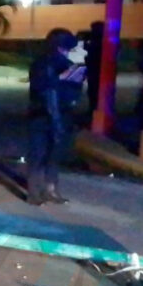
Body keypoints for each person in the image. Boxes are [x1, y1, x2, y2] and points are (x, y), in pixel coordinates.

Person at [26, 28, 84, 206]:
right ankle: (37, 192)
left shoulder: (63, 63)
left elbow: (73, 90)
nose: (67, 52)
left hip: (56, 114)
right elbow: (42, 88)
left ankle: (48, 190)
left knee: (51, 154)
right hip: (44, 114)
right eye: (66, 48)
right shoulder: (43, 64)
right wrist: (61, 79)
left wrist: (74, 80)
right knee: (41, 154)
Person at [83, 21, 104, 125]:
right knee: (93, 92)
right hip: (94, 70)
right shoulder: (98, 40)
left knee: (94, 92)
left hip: (96, 70)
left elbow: (89, 51)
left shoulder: (98, 41)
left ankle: (94, 110)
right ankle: (93, 110)